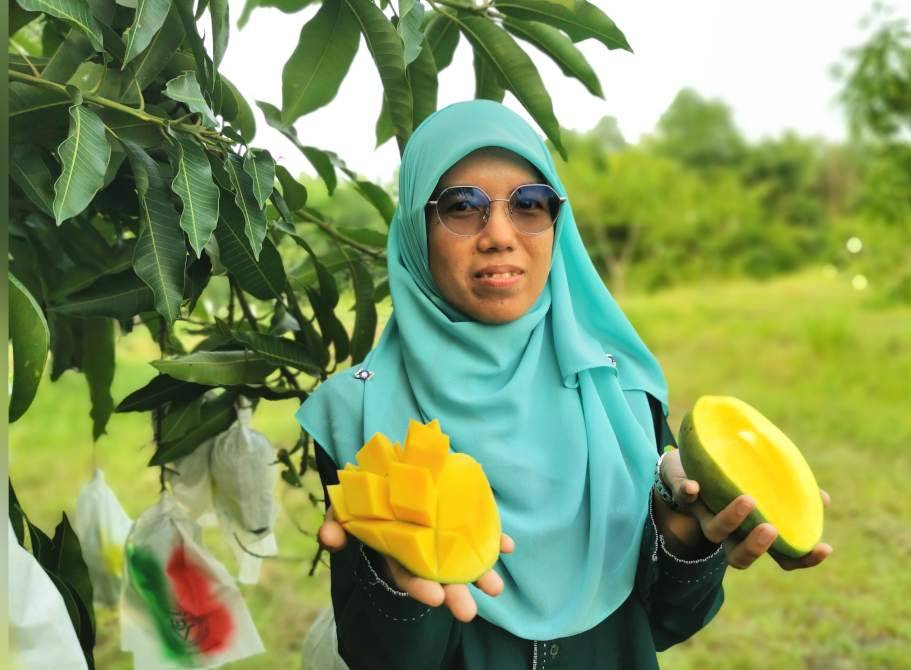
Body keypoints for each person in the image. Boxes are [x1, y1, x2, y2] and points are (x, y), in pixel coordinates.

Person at [294, 100, 832, 669]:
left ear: (558, 222)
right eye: (461, 206)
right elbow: (382, 658)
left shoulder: (622, 392)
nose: (499, 234)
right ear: (415, 228)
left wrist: (684, 538)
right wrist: (399, 586)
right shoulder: (356, 413)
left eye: (529, 204)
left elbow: (666, 621)